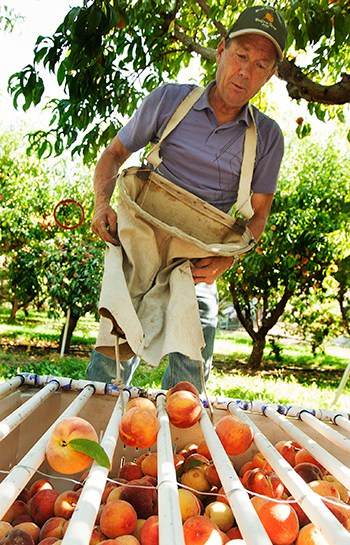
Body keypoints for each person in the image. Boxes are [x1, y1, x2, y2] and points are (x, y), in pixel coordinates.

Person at [86, 5, 288, 392]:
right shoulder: (169, 101)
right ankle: (94, 436)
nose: (246, 71)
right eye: (241, 56)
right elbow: (113, 155)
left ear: (271, 75)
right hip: (139, 244)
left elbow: (258, 215)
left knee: (190, 378)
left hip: (195, 260)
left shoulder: (267, 137)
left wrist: (226, 259)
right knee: (107, 368)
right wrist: (101, 206)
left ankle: (179, 447)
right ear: (222, 49)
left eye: (261, 65)